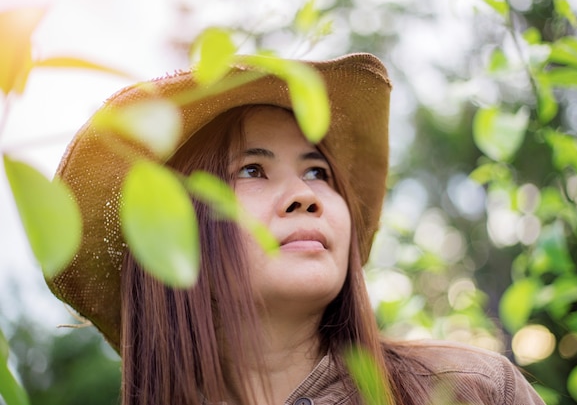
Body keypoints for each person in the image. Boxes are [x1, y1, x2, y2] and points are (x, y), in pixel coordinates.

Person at [47, 53, 545, 405]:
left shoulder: (473, 390)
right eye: (251, 170)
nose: (306, 195)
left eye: (317, 172)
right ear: (174, 231)